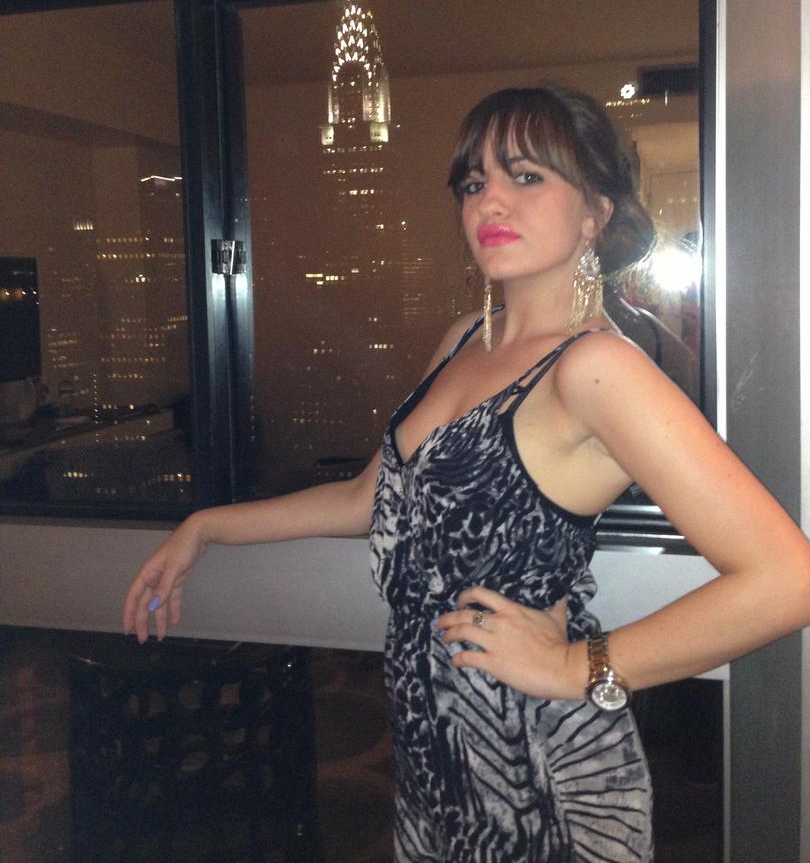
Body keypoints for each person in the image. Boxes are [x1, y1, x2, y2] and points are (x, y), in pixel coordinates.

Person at [124, 87, 810, 863]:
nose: (490, 201)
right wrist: (205, 525)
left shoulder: (596, 367)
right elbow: (366, 499)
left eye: (527, 176)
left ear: (596, 212)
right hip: (433, 755)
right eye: (474, 182)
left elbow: (788, 578)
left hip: (536, 771)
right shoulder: (463, 340)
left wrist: (576, 665)